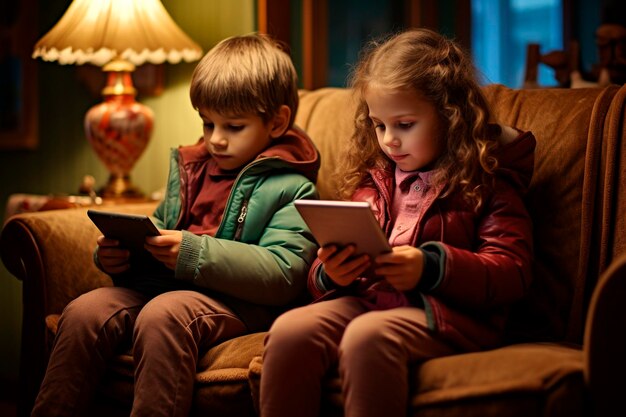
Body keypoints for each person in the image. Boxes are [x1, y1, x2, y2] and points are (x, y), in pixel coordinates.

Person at [31, 33, 320, 417]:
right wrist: (120, 258)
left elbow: (285, 274)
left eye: (234, 127)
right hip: (165, 287)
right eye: (207, 123)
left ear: (277, 122)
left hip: (236, 302)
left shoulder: (293, 186)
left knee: (164, 313)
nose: (216, 140)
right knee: (85, 310)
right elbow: (161, 230)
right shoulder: (191, 167)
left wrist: (192, 251)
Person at [260, 28, 535, 417]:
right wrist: (329, 273)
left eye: (404, 125)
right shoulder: (376, 177)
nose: (389, 140)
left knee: (366, 338)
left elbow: (513, 271)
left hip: (448, 315)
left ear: (450, 117)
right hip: (370, 301)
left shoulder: (487, 179)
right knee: (290, 331)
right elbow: (331, 260)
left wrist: (431, 267)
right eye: (379, 125)